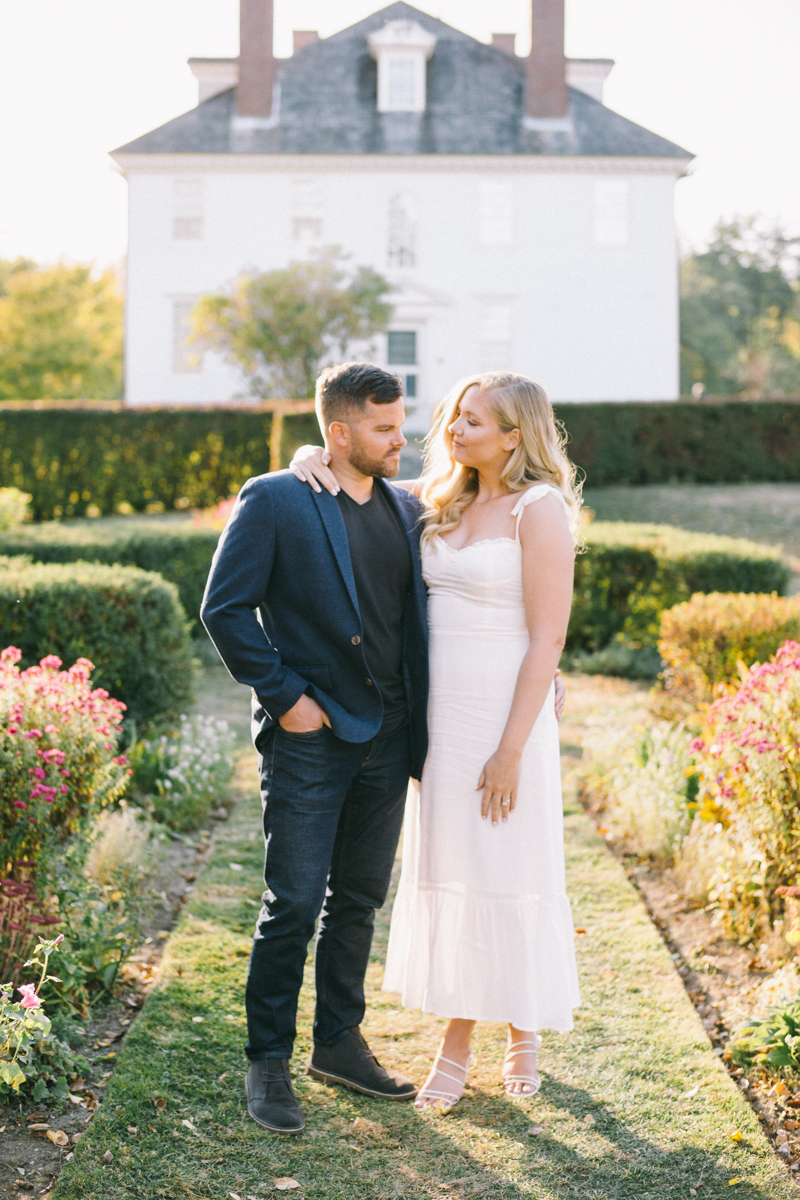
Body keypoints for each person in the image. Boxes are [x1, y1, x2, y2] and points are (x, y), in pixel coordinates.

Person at [291, 371, 580, 1111]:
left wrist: (512, 749)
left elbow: (548, 636)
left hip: (506, 721)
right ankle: (490, 1029)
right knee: (460, 869)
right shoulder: (437, 500)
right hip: (442, 721)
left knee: (509, 868)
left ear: (515, 435)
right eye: (453, 415)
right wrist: (305, 458)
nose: (453, 428)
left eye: (473, 420)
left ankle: (494, 1037)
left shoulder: (539, 509)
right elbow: (351, 479)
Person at [201, 363, 429, 1134]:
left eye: (401, 424)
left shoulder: (406, 505)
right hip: (311, 740)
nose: (402, 439)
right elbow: (224, 609)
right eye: (384, 428)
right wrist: (286, 697)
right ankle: (267, 1061)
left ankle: (337, 1042)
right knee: (292, 904)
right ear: (338, 434)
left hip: (393, 739)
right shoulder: (276, 499)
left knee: (359, 902)